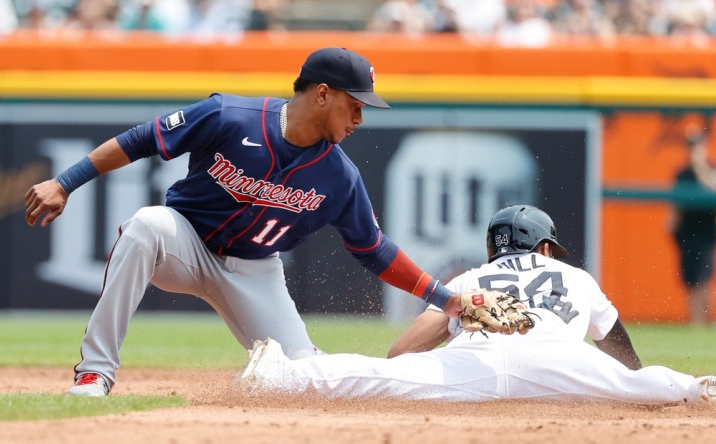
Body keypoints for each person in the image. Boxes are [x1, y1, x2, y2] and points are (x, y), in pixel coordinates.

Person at [25, 47, 464, 397]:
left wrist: (445, 299)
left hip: (254, 270)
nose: (359, 119)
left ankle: (295, 365)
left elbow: (374, 250)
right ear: (323, 94)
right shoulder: (229, 116)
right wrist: (65, 182)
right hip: (184, 244)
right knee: (145, 226)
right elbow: (141, 140)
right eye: (355, 105)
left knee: (303, 379)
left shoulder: (340, 176)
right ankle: (94, 374)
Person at [237, 205, 716, 404]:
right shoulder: (574, 274)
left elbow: (406, 347)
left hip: (474, 359)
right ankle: (705, 389)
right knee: (645, 386)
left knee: (369, 378)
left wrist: (401, 373)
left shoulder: (472, 275)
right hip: (560, 359)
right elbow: (619, 350)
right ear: (545, 247)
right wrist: (624, 382)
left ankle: (282, 375)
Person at [670, 128, 716, 324]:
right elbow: (676, 203)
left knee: (705, 277)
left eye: (698, 145)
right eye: (691, 145)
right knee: (691, 278)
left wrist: (700, 168)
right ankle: (695, 321)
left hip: (707, 232)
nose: (694, 150)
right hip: (687, 231)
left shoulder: (715, 168)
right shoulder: (682, 173)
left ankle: (707, 320)